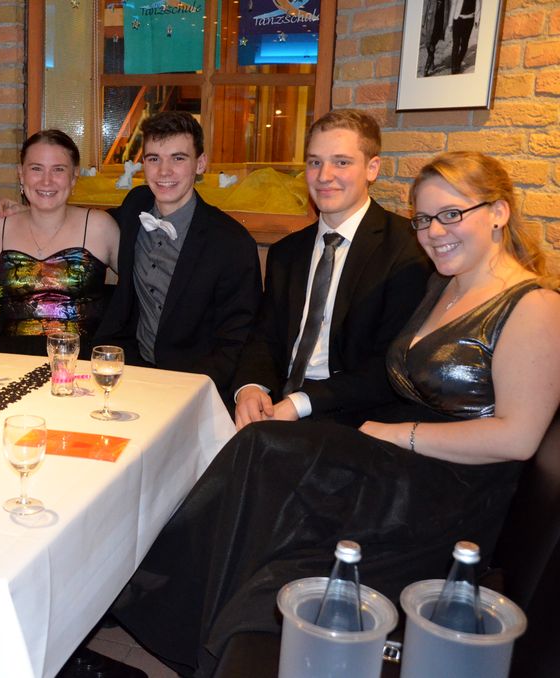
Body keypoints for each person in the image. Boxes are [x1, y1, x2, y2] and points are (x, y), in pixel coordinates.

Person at [110, 151, 560, 676]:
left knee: (264, 448)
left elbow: (518, 438)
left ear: (499, 212)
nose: (434, 232)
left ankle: (152, 589)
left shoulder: (534, 305)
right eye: (423, 219)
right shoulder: (446, 285)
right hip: (405, 464)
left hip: (452, 489)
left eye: (451, 214)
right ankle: (171, 600)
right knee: (259, 454)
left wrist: (397, 435)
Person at [232, 109, 432, 429]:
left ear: (372, 168)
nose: (324, 176)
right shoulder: (286, 252)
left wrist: (299, 403)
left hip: (355, 415)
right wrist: (251, 387)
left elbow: (391, 365)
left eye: (341, 162)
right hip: (279, 402)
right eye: (315, 162)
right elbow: (265, 337)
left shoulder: (408, 250)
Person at [93, 111, 262, 403]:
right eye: (154, 159)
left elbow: (237, 339)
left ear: (201, 163)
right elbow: (84, 224)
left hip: (194, 384)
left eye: (178, 158)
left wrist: (187, 392)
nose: (164, 171)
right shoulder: (135, 205)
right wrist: (26, 213)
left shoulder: (231, 242)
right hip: (131, 374)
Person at [0, 129, 119, 356]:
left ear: (74, 177)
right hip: (9, 360)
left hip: (81, 361)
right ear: (21, 174)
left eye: (58, 169)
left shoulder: (99, 226)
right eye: (36, 168)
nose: (46, 180)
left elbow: (140, 288)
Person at [451, 0, 480, 74]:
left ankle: (458, 62)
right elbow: (453, 4)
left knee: (464, 45)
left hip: (469, 21)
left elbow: (478, 5)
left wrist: (477, 20)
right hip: (458, 19)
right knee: (456, 44)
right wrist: (450, 22)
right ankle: (453, 67)